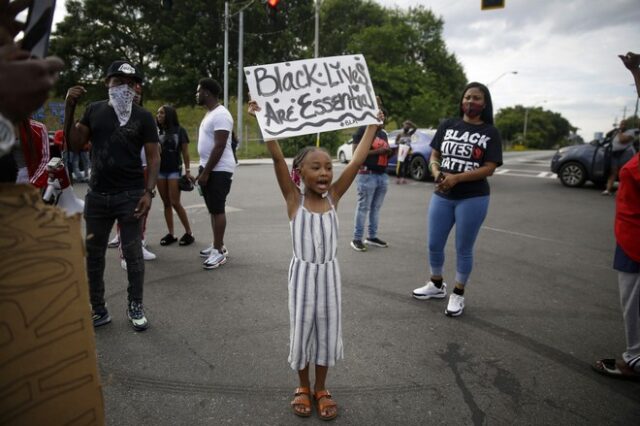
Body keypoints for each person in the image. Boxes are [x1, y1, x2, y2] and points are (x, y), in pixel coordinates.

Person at [248, 99, 383, 421]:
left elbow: (356, 161)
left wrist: (372, 125)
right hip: (303, 277)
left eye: (327, 167)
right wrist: (263, 121)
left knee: (327, 331)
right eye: (316, 167)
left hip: (329, 277)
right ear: (300, 173)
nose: (324, 172)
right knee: (303, 330)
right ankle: (302, 386)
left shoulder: (334, 196)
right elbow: (278, 159)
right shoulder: (294, 200)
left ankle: (321, 388)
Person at [64, 60, 160, 331]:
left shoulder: (143, 117)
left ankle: (135, 305)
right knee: (94, 256)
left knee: (133, 254)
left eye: (130, 84)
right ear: (107, 83)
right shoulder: (94, 111)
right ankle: (99, 309)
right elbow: (74, 143)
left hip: (130, 196)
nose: (124, 88)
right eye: (118, 82)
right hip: (97, 196)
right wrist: (69, 109)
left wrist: (149, 192)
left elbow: (154, 158)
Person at [412, 82, 503, 317]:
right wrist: (436, 172)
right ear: (462, 101)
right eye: (467, 97)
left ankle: (458, 293)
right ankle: (436, 284)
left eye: (476, 98)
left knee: (463, 248)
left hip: (473, 198)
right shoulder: (448, 125)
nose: (471, 102)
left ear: (485, 104)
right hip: (443, 194)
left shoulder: (490, 132)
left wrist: (458, 178)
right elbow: (435, 155)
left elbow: (490, 168)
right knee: (434, 243)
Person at [592, 51, 640, 381]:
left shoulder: (626, 139)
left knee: (633, 299)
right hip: (630, 226)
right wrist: (636, 71)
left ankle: (635, 358)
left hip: (635, 237)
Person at [195, 78, 235, 269]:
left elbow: (219, 146)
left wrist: (206, 172)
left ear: (207, 93)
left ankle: (218, 252)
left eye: (198, 91)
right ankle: (218, 244)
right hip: (209, 168)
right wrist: (202, 169)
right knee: (212, 208)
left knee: (218, 209)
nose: (197, 94)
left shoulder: (221, 114)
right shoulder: (211, 114)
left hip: (219, 169)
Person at [350, 112, 392, 252]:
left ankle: (372, 237)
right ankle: (357, 239)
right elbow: (356, 153)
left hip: (382, 175)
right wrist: (379, 151)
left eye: (383, 116)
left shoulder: (383, 134)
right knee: (363, 208)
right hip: (367, 174)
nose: (382, 118)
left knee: (375, 208)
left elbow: (383, 152)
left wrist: (389, 152)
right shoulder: (363, 130)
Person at [156, 104, 194, 246]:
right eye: (158, 113)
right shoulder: (155, 131)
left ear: (169, 115)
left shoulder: (180, 130)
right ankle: (171, 234)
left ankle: (189, 233)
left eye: (162, 113)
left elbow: (185, 152)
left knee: (175, 202)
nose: (159, 115)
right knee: (166, 203)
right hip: (159, 171)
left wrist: (188, 171)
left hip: (174, 170)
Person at [602, 120, 637, 195]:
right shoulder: (616, 132)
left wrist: (619, 132)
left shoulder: (630, 133)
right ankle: (608, 190)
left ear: (627, 125)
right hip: (615, 154)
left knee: (623, 172)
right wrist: (614, 130)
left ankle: (621, 191)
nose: (623, 125)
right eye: (621, 124)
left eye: (624, 124)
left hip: (626, 154)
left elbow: (622, 140)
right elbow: (607, 135)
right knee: (613, 172)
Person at [395, 120, 417, 184]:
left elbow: (416, 128)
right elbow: (396, 142)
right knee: (400, 165)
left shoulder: (409, 134)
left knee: (406, 165)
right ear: (403, 127)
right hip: (401, 151)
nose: (407, 127)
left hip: (408, 151)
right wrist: (400, 142)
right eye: (406, 126)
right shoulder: (400, 134)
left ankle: (404, 178)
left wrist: (410, 123)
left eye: (408, 126)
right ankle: (398, 178)